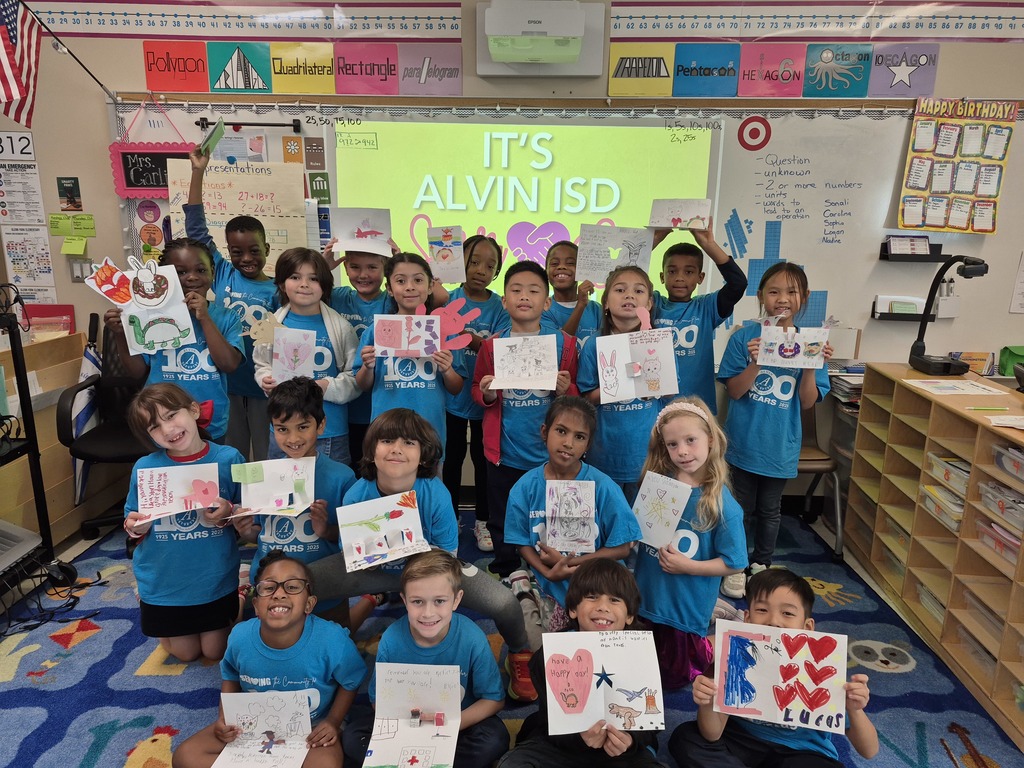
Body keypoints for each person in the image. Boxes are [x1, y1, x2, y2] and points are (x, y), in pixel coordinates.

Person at [305, 408, 538, 701]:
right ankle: (305, 647)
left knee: (504, 603)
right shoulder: (356, 493)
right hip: (373, 570)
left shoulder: (436, 493)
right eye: (387, 441)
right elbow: (349, 553)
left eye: (408, 443)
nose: (396, 450)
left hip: (432, 571)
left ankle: (519, 653)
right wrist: (377, 555)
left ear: (424, 456)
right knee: (302, 583)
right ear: (371, 450)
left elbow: (448, 557)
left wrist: (411, 551)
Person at [172, 550, 367, 768]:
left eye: (292, 587)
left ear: (309, 604)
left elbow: (351, 680)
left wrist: (333, 721)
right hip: (251, 725)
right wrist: (224, 717)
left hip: (313, 726)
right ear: (256, 605)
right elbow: (230, 675)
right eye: (269, 587)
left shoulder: (333, 640)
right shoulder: (240, 637)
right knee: (185, 757)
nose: (279, 593)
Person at [668, 568, 879, 767]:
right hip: (740, 740)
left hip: (802, 753)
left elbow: (869, 750)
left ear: (808, 627)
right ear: (747, 619)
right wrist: (707, 703)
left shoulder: (825, 669)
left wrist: (855, 709)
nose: (773, 622)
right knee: (685, 738)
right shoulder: (731, 657)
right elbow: (712, 734)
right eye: (762, 610)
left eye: (787, 613)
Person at [717, 263, 833, 599]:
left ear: (804, 297)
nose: (782, 298)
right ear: (760, 296)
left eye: (792, 291)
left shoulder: (811, 342)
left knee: (770, 510)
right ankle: (736, 563)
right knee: (738, 508)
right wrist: (757, 360)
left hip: (780, 446)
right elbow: (735, 391)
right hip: (742, 444)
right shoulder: (743, 338)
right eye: (774, 291)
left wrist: (811, 365)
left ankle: (761, 564)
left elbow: (808, 402)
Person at [342, 550, 509, 768]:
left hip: (458, 723)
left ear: (456, 600)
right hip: (405, 725)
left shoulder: (472, 638)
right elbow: (378, 702)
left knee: (495, 738)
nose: (428, 613)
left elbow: (494, 700)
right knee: (354, 736)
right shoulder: (391, 640)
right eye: (417, 602)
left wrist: (449, 726)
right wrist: (411, 729)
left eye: (439, 601)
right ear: (404, 599)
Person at [497, 559, 666, 768]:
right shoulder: (551, 655)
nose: (603, 607)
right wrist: (578, 738)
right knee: (514, 764)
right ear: (573, 610)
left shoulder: (643, 654)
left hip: (620, 753)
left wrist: (630, 741)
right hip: (562, 747)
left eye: (614, 600)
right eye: (592, 597)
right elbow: (549, 721)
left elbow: (652, 721)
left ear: (630, 615)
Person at [471, 260, 579, 581]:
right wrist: (488, 393)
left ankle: (551, 568)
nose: (524, 296)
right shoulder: (492, 346)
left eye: (534, 291)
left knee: (552, 515)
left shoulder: (564, 344)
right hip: (505, 452)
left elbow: (578, 398)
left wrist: (565, 390)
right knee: (503, 515)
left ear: (546, 302)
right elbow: (477, 389)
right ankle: (507, 568)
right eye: (515, 290)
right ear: (504, 301)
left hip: (550, 454)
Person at [504, 396, 641, 649]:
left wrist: (570, 563)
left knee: (602, 649)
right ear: (545, 432)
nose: (568, 443)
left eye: (579, 437)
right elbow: (520, 541)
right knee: (551, 651)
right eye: (561, 431)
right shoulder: (524, 488)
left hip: (599, 589)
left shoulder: (603, 487)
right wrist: (547, 572)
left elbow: (623, 547)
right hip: (550, 585)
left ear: (588, 443)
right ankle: (525, 590)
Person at [123, 383, 243, 662]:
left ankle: (240, 595)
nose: (167, 430)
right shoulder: (145, 467)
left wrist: (229, 510)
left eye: (171, 416)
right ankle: (149, 603)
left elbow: (247, 510)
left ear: (192, 410)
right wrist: (136, 526)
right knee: (186, 653)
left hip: (213, 579)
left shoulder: (228, 458)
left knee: (215, 651)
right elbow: (130, 516)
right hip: (165, 582)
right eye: (154, 427)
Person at [633, 397, 746, 688]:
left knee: (675, 679)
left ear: (710, 439)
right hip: (645, 599)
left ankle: (722, 633)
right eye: (672, 444)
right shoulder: (658, 483)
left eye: (691, 440)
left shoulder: (722, 506)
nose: (682, 451)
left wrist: (689, 566)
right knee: (637, 669)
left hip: (683, 609)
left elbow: (734, 562)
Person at [231, 377, 357, 625]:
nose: (293, 438)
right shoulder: (262, 476)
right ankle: (246, 590)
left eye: (303, 426)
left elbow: (352, 540)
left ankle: (371, 601)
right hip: (272, 590)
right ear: (272, 428)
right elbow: (261, 534)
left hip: (325, 591)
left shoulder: (342, 477)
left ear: (321, 426)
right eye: (282, 429)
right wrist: (246, 530)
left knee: (338, 651)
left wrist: (326, 530)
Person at [185, 144, 278, 460]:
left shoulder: (279, 288)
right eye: (237, 252)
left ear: (267, 248)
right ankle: (235, 507)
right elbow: (196, 228)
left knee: (266, 455)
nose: (246, 258)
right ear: (227, 252)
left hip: (265, 387)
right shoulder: (222, 272)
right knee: (232, 455)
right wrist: (198, 172)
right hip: (227, 383)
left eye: (254, 250)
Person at [105, 238, 245, 443]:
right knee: (167, 472)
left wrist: (204, 317)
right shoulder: (148, 315)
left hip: (209, 419)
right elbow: (137, 372)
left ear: (213, 272)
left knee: (208, 472)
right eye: (180, 272)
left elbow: (229, 364)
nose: (192, 278)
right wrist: (120, 333)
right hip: (162, 421)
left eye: (201, 270)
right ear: (164, 276)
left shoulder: (227, 317)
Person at [253, 247, 360, 466]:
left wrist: (324, 386)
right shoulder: (271, 324)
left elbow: (355, 376)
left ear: (325, 286)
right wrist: (264, 379)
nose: (304, 284)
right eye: (295, 277)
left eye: (313, 278)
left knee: (331, 492)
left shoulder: (341, 328)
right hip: (283, 431)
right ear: (282, 283)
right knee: (282, 495)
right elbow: (261, 363)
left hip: (330, 431)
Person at [354, 252, 466, 461]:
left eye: (418, 280)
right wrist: (367, 367)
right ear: (389, 288)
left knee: (428, 489)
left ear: (431, 285)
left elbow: (456, 387)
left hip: (429, 432)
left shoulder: (443, 331)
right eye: (400, 281)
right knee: (388, 490)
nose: (410, 287)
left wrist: (448, 369)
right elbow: (363, 385)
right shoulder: (376, 331)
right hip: (385, 433)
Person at [441, 235, 509, 549]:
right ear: (461, 263)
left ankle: (483, 521)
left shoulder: (500, 305)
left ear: (497, 271)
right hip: (452, 396)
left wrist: (476, 342)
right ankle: (451, 516)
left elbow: (504, 347)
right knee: (452, 458)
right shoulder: (446, 298)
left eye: (490, 265)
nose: (481, 270)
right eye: (474, 262)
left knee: (483, 463)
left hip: (486, 401)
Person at [577, 265, 662, 505]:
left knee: (641, 525)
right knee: (604, 517)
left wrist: (650, 384)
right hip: (604, 453)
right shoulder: (594, 345)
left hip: (645, 454)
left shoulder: (657, 343)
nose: (629, 295)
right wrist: (624, 382)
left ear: (650, 303)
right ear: (605, 303)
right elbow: (586, 399)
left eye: (638, 291)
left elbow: (667, 393)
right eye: (620, 289)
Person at [651, 219, 747, 414]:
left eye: (688, 272)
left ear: (700, 278)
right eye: (672, 271)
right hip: (656, 404)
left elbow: (738, 284)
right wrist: (656, 240)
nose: (679, 277)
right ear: (662, 276)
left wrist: (708, 244)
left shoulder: (706, 307)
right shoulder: (652, 303)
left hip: (696, 405)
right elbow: (621, 277)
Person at [324, 236, 391, 468]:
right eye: (354, 267)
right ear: (344, 266)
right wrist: (324, 267)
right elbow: (304, 291)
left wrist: (398, 262)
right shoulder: (337, 297)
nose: (363, 275)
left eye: (373, 267)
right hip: (345, 408)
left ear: (385, 267)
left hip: (381, 406)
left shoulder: (392, 301)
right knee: (352, 468)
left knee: (379, 469)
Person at [542, 240, 602, 344]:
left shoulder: (596, 310)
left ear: (582, 269)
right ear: (546, 271)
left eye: (570, 263)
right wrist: (580, 305)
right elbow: (559, 346)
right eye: (554, 263)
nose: (561, 267)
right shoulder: (543, 310)